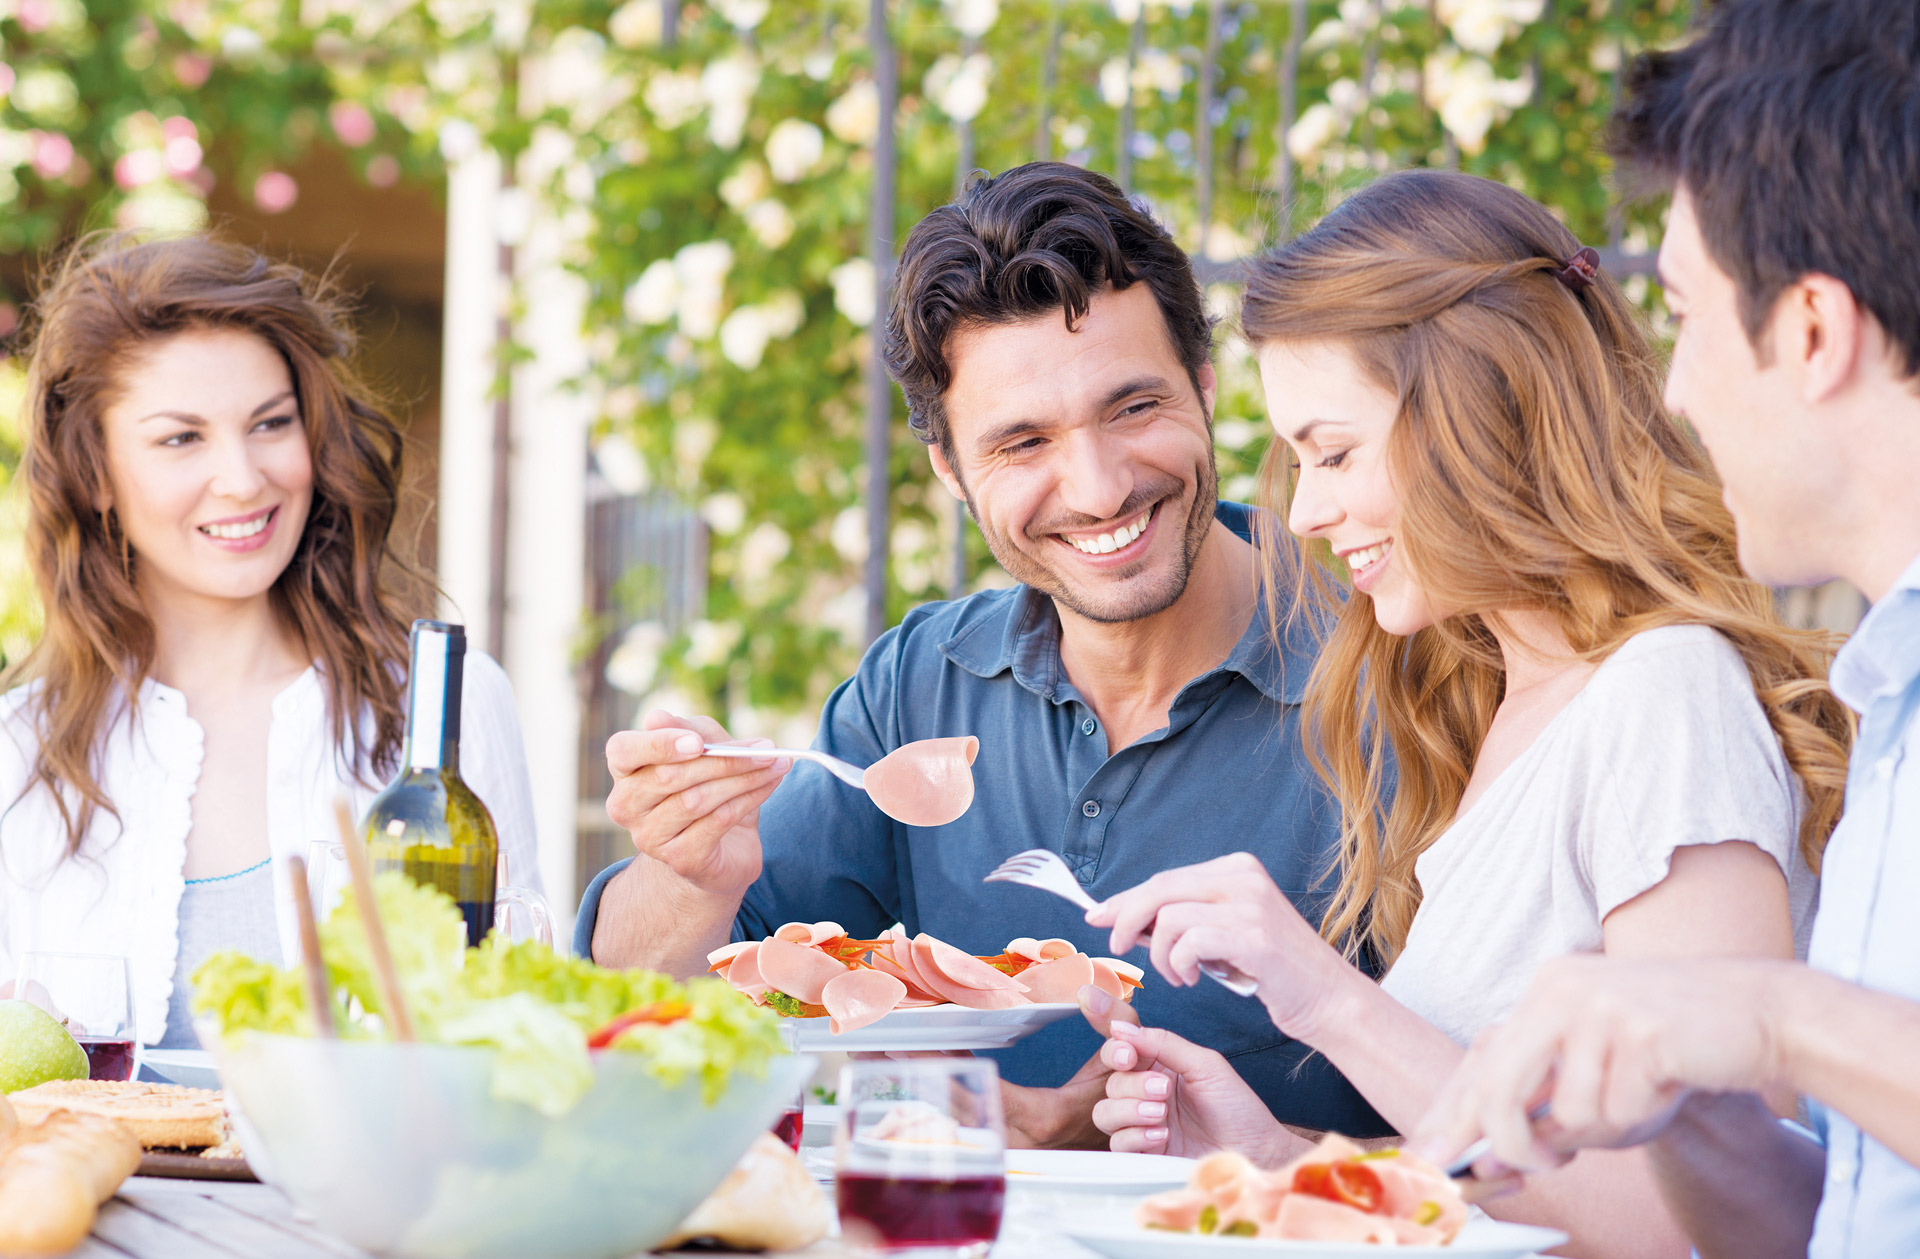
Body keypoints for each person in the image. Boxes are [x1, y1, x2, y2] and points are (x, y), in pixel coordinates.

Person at [1078, 169, 1853, 1256]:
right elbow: (1523, 1190)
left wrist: (1329, 999)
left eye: (1335, 451)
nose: (1303, 509)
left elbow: (1710, 1220)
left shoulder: (1668, 693)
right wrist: (1283, 1159)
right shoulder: (1498, 701)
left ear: (1479, 412)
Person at [576, 161, 1388, 1146]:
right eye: (1022, 443)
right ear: (950, 472)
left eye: (1133, 408)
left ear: (1206, 389)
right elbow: (630, 1015)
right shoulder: (918, 688)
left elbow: (1522, 1153)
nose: (1096, 487)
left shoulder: (1400, 675)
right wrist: (690, 878)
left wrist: (1275, 1153)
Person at [1413, 4, 1920, 1257]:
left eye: (1685, 312)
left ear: (1811, 330)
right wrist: (1680, 1107)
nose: (1675, 390)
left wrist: (1772, 1018)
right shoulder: (1893, 697)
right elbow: (1858, 1220)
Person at [0, 235, 540, 1050]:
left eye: (270, 424)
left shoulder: (437, 711)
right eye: (182, 438)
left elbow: (531, 1019)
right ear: (96, 473)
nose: (245, 478)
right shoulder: (18, 755)